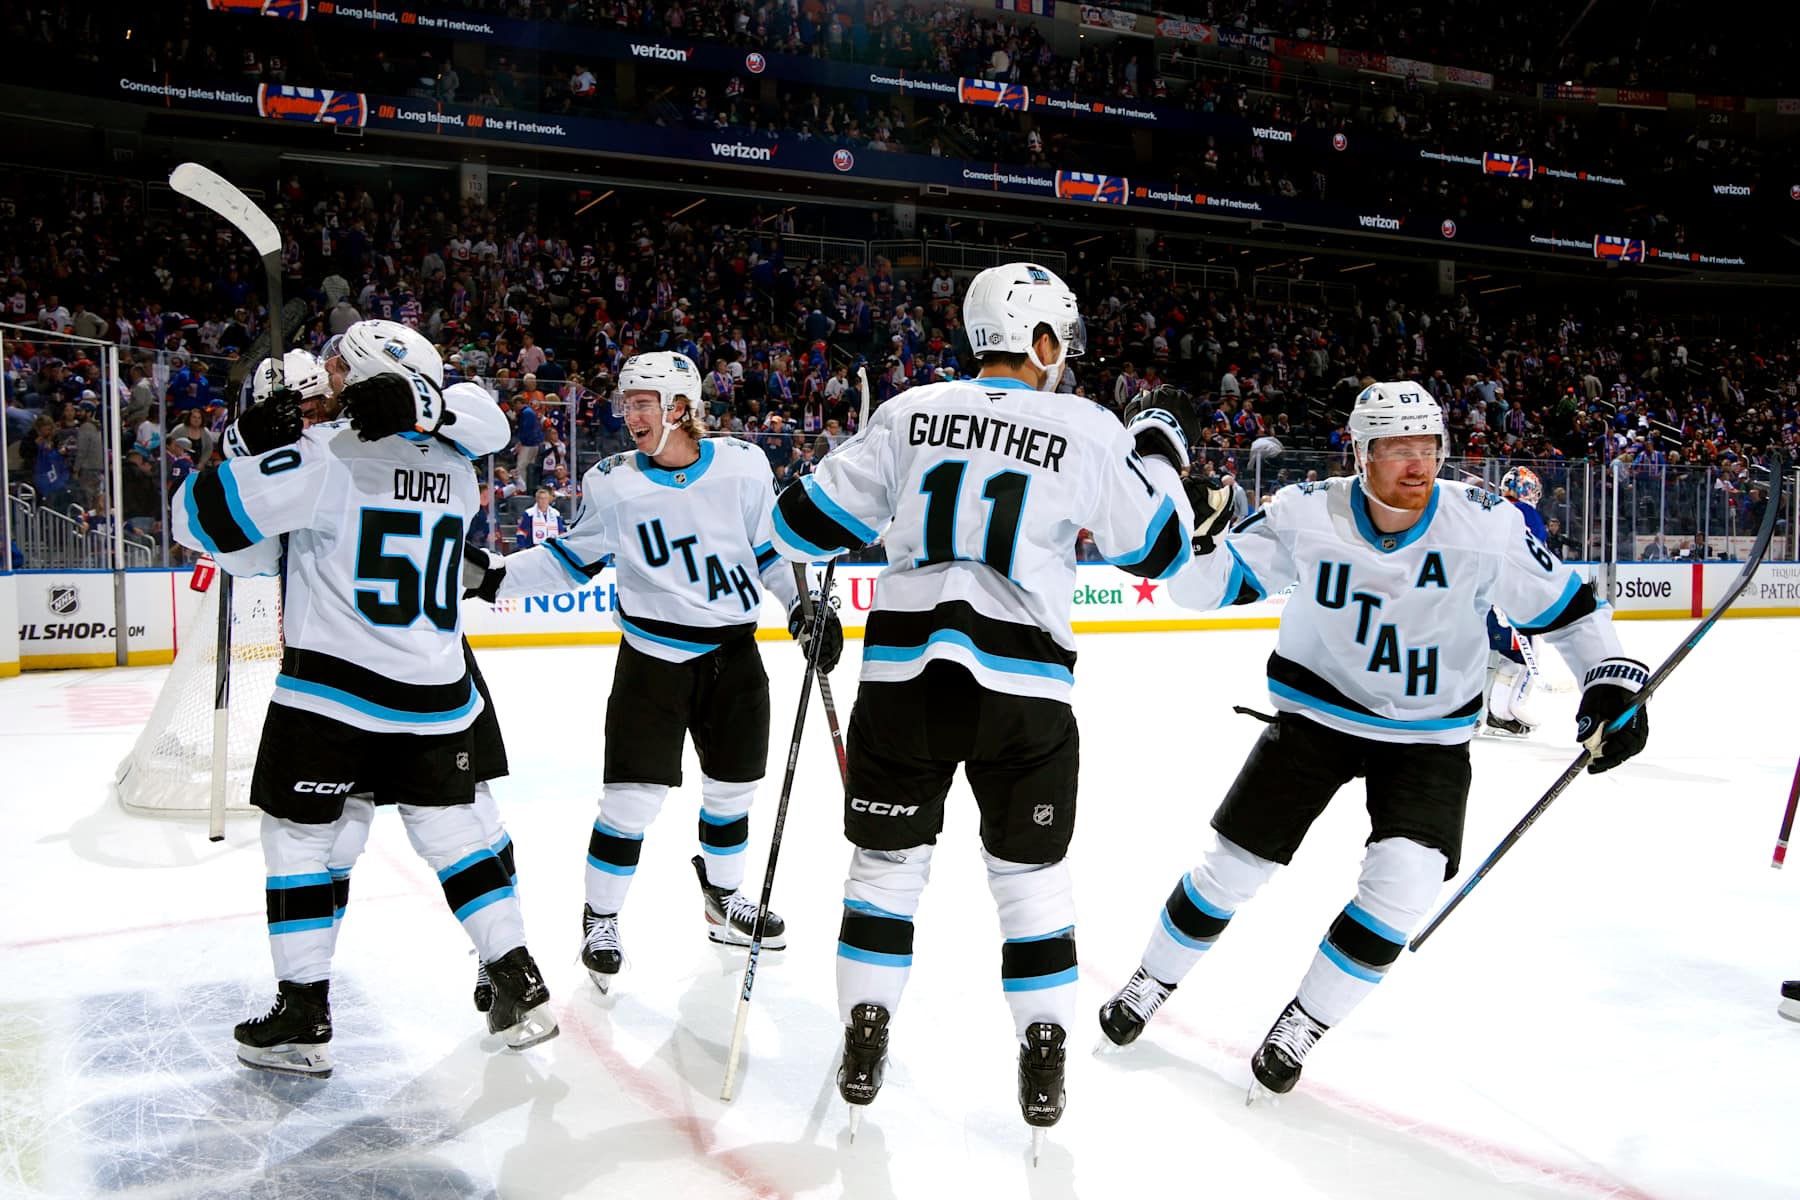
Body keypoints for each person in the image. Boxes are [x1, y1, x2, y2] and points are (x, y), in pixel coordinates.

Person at [1098, 383, 1650, 1103]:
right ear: (1360, 452)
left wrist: (1607, 681)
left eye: (1428, 446)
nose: (1417, 464)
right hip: (1317, 719)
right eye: (1396, 447)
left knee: (1404, 888)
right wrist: (1197, 546)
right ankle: (1152, 979)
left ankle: (1305, 1021)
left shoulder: (1483, 523)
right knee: (1231, 867)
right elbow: (1203, 592)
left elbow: (1572, 610)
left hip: (1429, 738)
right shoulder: (1304, 512)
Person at [767, 262, 1193, 1145]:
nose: (1064, 362)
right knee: (1031, 884)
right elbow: (1159, 554)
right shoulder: (1085, 425)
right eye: (1060, 345)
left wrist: (859, 489)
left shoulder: (908, 411)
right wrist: (1156, 453)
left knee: (885, 876)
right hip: (1024, 691)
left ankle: (864, 1033)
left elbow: (793, 526)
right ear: (1039, 340)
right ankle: (1043, 1048)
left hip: (902, 680)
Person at [175, 321, 555, 1079]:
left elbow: (201, 523)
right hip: (436, 689)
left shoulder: (321, 459)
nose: (329, 385)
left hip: (332, 693)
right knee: (457, 837)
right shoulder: (456, 465)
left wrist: (243, 446)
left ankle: (303, 1011)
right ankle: (519, 977)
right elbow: (480, 417)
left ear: (371, 379)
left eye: (341, 373)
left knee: (300, 845)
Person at [463, 351, 837, 997]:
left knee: (732, 794)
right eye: (626, 402)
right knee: (631, 803)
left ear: (681, 408)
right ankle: (600, 918)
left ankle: (723, 901)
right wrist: (496, 576)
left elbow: (770, 553)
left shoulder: (744, 467)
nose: (627, 413)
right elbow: (569, 561)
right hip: (652, 662)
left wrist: (803, 609)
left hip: (734, 657)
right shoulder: (612, 482)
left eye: (642, 402)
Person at [1484, 465, 1549, 736]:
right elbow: (1535, 561)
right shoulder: (1526, 514)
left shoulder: (1491, 509)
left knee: (1485, 659)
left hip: (1482, 599)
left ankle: (1477, 716)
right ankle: (1501, 714)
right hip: (1511, 600)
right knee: (1520, 657)